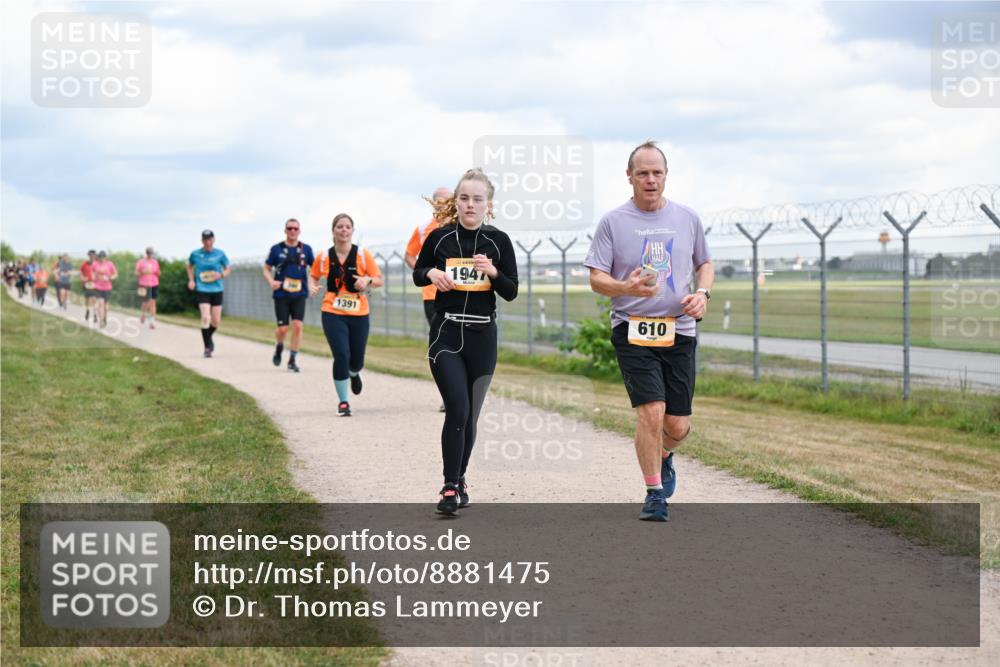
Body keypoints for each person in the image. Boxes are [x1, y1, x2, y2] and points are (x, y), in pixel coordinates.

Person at [584, 140, 713, 522]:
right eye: (642, 173)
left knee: (676, 424)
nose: (650, 179)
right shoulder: (613, 221)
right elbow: (596, 278)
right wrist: (626, 288)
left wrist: (702, 294)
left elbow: (704, 263)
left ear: (666, 175)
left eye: (657, 172)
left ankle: (666, 455)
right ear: (629, 177)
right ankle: (654, 492)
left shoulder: (687, 218)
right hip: (632, 329)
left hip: (680, 329)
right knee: (651, 412)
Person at [413, 168, 519, 516]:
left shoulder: (498, 241)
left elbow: (511, 291)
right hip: (446, 332)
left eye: (477, 199)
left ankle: (459, 480)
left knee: (470, 415)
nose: (470, 204)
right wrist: (431, 273)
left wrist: (492, 272)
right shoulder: (440, 238)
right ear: (455, 202)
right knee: (457, 407)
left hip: (482, 335)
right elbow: (418, 272)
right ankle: (447, 485)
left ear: (488, 205)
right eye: (464, 198)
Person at [309, 214, 383, 416]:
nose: (343, 230)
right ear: (333, 231)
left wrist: (366, 280)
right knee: (341, 355)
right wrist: (311, 286)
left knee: (356, 358)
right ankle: (343, 402)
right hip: (332, 310)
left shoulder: (362, 255)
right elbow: (313, 274)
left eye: (347, 227)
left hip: (359, 311)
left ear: (352, 230)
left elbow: (378, 279)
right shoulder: (324, 256)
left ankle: (354, 372)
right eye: (339, 226)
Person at [406, 186, 451, 412]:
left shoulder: (459, 224)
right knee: (441, 344)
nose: (443, 205)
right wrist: (425, 272)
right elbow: (409, 255)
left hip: (459, 295)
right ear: (433, 204)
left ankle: (461, 390)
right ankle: (447, 394)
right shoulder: (424, 228)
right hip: (432, 296)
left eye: (447, 201)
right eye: (439, 202)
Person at [263, 218, 315, 372]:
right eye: (290, 228)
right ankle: (279, 345)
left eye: (295, 228)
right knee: (283, 329)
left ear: (299, 231)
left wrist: (311, 283)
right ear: (285, 230)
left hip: (299, 293)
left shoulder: (306, 249)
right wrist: (272, 281)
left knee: (298, 326)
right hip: (281, 295)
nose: (293, 231)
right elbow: (266, 268)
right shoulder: (276, 249)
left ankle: (292, 360)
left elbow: (314, 269)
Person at [187, 230, 230, 358]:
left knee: (216, 321)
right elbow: (189, 266)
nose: (207, 242)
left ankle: (208, 336)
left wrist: (221, 274)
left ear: (213, 240)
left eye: (209, 239)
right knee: (206, 317)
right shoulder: (195, 254)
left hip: (217, 289)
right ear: (202, 240)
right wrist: (191, 280)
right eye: (205, 239)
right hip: (202, 289)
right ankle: (207, 347)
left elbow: (228, 269)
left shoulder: (220, 254)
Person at [135, 247, 161, 329]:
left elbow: (159, 273)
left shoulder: (155, 262)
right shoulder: (141, 262)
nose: (150, 254)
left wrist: (157, 272)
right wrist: (143, 272)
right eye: (148, 253)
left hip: (154, 283)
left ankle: (152, 322)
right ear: (146, 253)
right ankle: (143, 314)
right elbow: (136, 273)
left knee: (153, 302)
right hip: (143, 284)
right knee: (145, 302)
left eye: (151, 253)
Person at [91, 250, 118, 328]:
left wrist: (109, 278)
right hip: (97, 287)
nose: (102, 259)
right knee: (100, 303)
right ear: (98, 257)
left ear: (106, 257)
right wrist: (94, 277)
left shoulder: (110, 264)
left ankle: (105, 318)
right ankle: (101, 320)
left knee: (106, 306)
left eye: (103, 257)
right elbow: (92, 273)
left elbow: (115, 274)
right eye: (100, 257)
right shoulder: (95, 264)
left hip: (107, 287)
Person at [80, 250, 98, 322]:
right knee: (87, 300)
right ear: (88, 256)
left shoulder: (97, 264)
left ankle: (95, 315)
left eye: (93, 255)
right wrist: (83, 278)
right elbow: (81, 272)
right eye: (90, 255)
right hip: (87, 284)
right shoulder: (85, 264)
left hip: (96, 285)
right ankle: (87, 311)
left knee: (94, 300)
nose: (92, 256)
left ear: (95, 256)